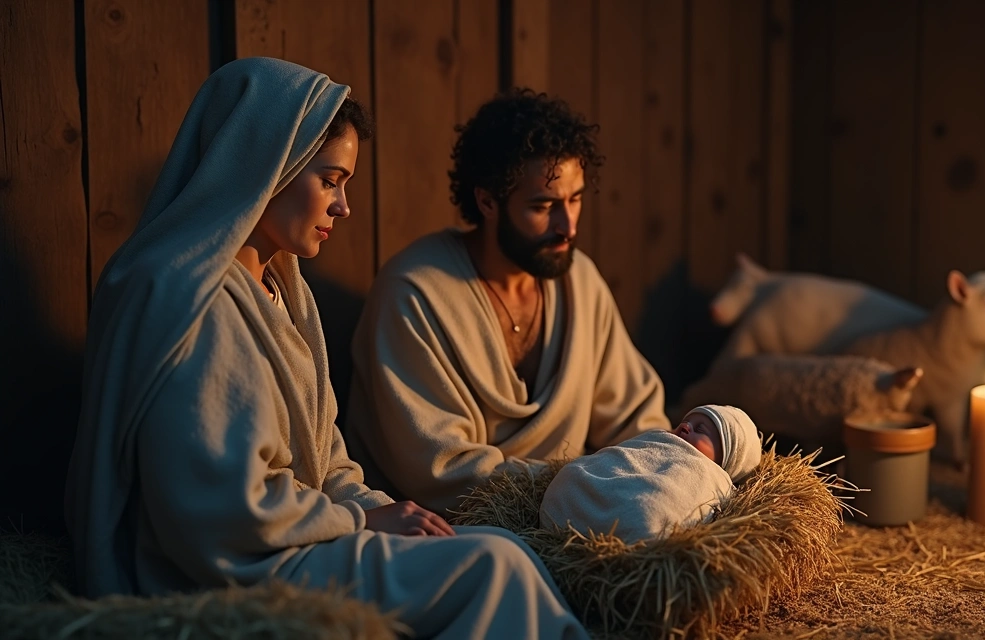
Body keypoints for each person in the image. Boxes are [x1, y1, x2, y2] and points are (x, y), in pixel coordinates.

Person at [64, 57, 587, 639]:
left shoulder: (286, 288)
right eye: (330, 181)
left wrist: (383, 511)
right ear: (266, 165)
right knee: (491, 567)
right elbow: (219, 509)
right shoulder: (188, 296)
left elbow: (328, 459)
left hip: (306, 534)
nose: (343, 207)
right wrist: (361, 518)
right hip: (242, 565)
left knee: (500, 545)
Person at [345, 89, 670, 515]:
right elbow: (439, 471)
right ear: (487, 201)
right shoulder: (414, 294)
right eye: (543, 206)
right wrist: (584, 483)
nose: (567, 226)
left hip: (573, 513)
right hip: (445, 531)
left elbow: (637, 417)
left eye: (574, 200)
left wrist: (667, 467)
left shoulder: (579, 282)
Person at [539, 405, 762, 543]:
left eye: (700, 429)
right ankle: (572, 505)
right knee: (570, 475)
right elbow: (624, 456)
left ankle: (619, 528)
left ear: (727, 458)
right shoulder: (658, 438)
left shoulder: (714, 478)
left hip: (639, 502)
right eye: (687, 421)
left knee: (648, 509)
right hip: (607, 481)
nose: (685, 426)